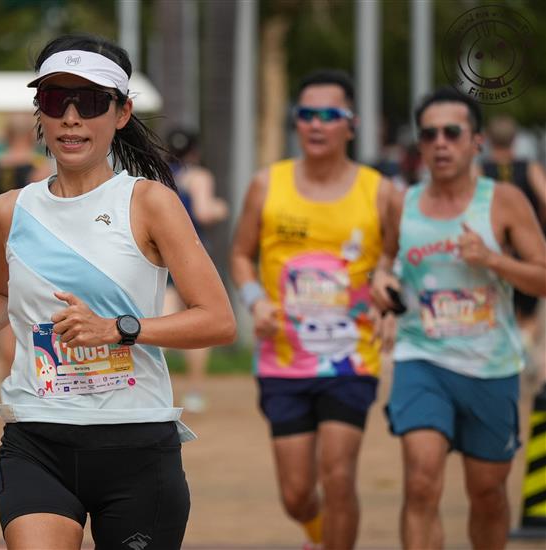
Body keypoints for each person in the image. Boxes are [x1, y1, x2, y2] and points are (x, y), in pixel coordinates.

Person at [0, 34, 235, 550]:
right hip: (37, 437)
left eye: (88, 102)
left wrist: (117, 329)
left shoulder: (150, 203)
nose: (70, 118)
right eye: (54, 99)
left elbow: (218, 319)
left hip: (136, 443)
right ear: (39, 111)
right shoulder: (9, 210)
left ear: (121, 112)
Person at [230, 69, 399, 550]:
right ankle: (319, 536)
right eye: (306, 114)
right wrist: (255, 300)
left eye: (329, 114)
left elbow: (395, 258)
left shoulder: (380, 192)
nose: (316, 124)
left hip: (351, 358)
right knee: (297, 495)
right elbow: (240, 254)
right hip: (283, 358)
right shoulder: (268, 184)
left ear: (352, 124)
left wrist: (387, 289)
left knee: (339, 475)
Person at [372, 88, 546, 550]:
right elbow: (386, 259)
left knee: (487, 492)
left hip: (491, 365)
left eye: (452, 132)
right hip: (421, 358)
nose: (440, 143)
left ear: (477, 141)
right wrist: (381, 281)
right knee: (421, 480)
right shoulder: (402, 202)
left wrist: (492, 260)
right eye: (429, 134)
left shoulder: (504, 201)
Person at [0, 113, 52, 377]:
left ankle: (8, 370)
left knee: (2, 310)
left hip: (1, 246)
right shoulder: (40, 167)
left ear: (6, 135)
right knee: (28, 311)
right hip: (30, 250)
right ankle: (22, 369)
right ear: (33, 135)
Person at [163, 128, 229, 413]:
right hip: (192, 253)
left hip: (161, 253)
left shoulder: (158, 174)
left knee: (163, 319)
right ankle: (195, 392)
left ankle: (153, 386)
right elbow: (204, 212)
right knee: (199, 317)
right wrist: (221, 208)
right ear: (195, 150)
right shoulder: (198, 176)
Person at [481, 114, 546, 351]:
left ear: (487, 139)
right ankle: (522, 349)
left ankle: (509, 350)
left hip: (495, 250)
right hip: (525, 250)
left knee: (497, 309)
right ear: (515, 139)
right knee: (527, 314)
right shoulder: (529, 167)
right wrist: (537, 226)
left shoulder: (480, 169)